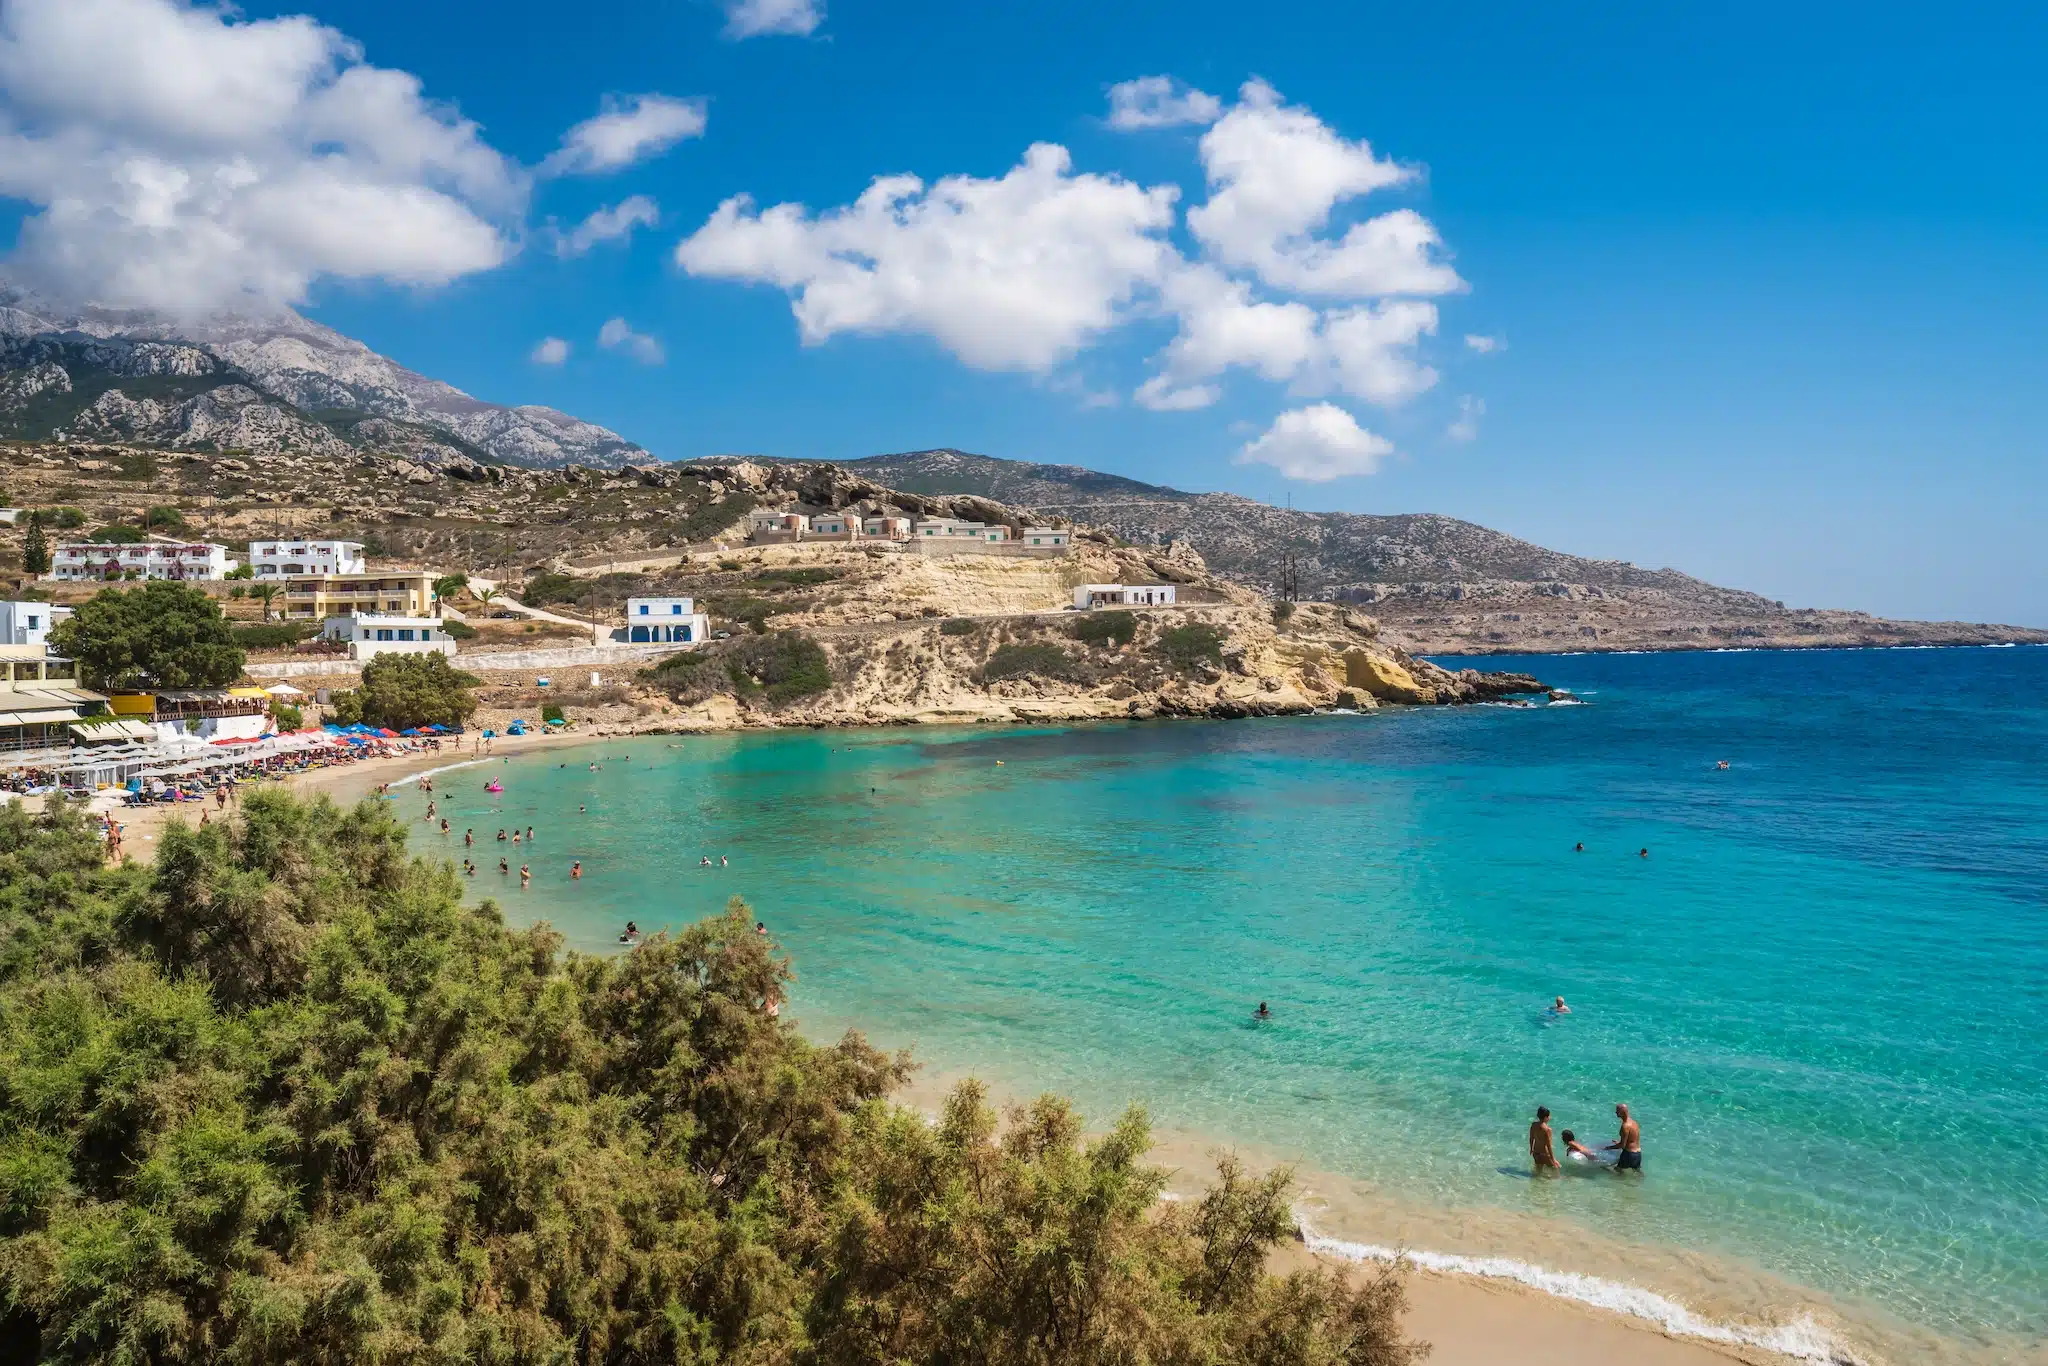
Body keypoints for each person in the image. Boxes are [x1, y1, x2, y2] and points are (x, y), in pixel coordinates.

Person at [1606, 1103, 1643, 1171]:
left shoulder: (1625, 1126)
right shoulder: (1634, 1122)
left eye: (1617, 1111)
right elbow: (1632, 1140)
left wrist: (1608, 1148)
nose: (1616, 1112)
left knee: (1616, 1170)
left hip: (1629, 1154)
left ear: (1621, 1112)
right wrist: (1618, 1142)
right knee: (1637, 1172)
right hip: (1638, 1154)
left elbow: (1622, 1146)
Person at [1529, 1106, 1561, 1171]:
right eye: (1549, 1116)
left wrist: (1531, 1149)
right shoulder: (1547, 1129)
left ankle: (1536, 1181)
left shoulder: (1533, 1125)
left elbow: (1531, 1138)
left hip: (1536, 1153)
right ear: (1546, 1117)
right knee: (1556, 1170)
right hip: (1545, 1154)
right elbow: (1548, 1145)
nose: (1549, 1118)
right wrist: (1553, 1159)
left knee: (1538, 1172)